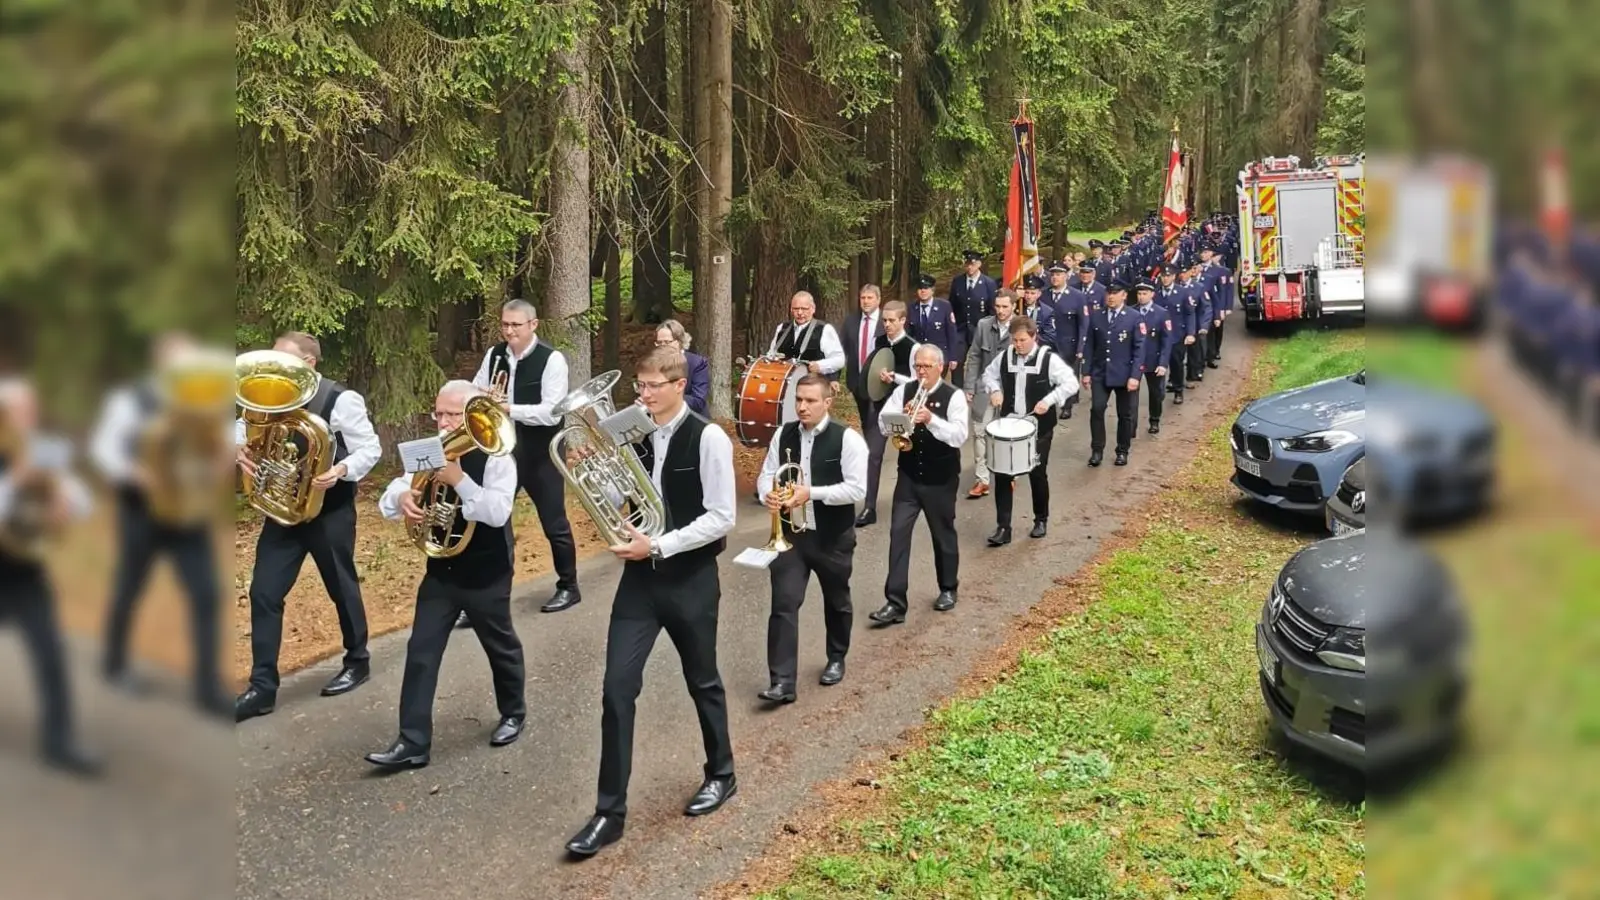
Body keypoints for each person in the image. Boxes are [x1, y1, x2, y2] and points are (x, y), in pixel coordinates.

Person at [565, 348, 738, 859]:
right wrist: (593, 471)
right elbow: (625, 501)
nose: (641, 394)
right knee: (616, 690)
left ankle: (722, 774)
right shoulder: (632, 434)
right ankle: (608, 813)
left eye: (650, 386)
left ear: (679, 385)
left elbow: (722, 516)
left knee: (702, 681)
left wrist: (659, 544)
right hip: (640, 584)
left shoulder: (707, 437)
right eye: (639, 386)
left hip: (689, 579)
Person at [364, 381, 527, 770]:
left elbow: (496, 513)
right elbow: (393, 494)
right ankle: (412, 742)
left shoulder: (497, 455)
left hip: (488, 569)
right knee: (421, 650)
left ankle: (513, 712)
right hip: (442, 569)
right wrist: (402, 497)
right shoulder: (429, 447)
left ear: (474, 413)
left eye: (453, 414)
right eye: (439, 413)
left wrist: (458, 481)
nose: (444, 422)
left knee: (499, 644)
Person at [236, 331, 381, 721]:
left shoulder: (340, 399)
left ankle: (358, 660)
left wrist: (340, 470)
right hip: (282, 513)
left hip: (328, 509)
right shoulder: (269, 394)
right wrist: (238, 451)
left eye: (285, 361)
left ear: (310, 363)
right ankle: (262, 688)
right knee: (264, 592)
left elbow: (371, 447)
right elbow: (241, 430)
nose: (275, 369)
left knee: (341, 585)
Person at [90, 333, 232, 716]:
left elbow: (220, 446)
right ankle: (114, 663)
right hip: (142, 512)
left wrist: (222, 461)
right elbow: (103, 447)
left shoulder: (204, 403)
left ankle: (207, 689)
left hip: (189, 513)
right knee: (129, 588)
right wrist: (133, 472)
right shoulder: (131, 399)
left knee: (206, 595)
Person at [0, 379, 100, 775]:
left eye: (30, 412)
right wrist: (15, 482)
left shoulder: (46, 450)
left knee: (51, 654)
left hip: (24, 571)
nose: (26, 420)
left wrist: (65, 502)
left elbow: (83, 501)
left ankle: (59, 743)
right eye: (17, 413)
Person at [756, 374, 868, 704]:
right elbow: (766, 474)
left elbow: (857, 489)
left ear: (827, 403)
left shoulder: (848, 440)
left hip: (833, 537)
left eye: (810, 401)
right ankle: (782, 682)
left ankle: (836, 657)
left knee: (837, 601)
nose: (802, 407)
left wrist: (811, 493)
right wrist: (769, 495)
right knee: (783, 605)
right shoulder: (783, 433)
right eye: (799, 400)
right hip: (792, 537)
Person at [471, 299, 581, 615]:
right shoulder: (494, 355)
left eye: (516, 325)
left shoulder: (552, 360)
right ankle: (491, 593)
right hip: (504, 453)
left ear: (532, 325)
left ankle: (568, 586)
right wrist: (483, 397)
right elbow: (476, 389)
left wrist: (508, 408)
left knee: (554, 523)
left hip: (541, 454)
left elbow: (551, 412)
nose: (509, 331)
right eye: (505, 325)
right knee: (494, 521)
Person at [869, 345, 968, 625]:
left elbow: (959, 435)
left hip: (941, 478)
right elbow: (883, 423)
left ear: (941, 367)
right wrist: (902, 420)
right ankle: (895, 602)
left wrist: (931, 418)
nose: (921, 372)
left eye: (926, 366)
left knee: (943, 534)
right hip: (909, 477)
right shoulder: (905, 391)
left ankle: (948, 588)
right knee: (898, 535)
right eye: (917, 366)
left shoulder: (954, 396)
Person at [980, 317, 1078, 544]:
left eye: (1023, 340)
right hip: (1009, 425)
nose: (1018, 344)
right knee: (1003, 474)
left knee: (1037, 472)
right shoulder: (1005, 356)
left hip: (1038, 427)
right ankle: (1003, 528)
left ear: (1034, 337)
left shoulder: (1048, 359)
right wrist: (994, 390)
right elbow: (989, 374)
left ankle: (1040, 519)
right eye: (1015, 340)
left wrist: (1050, 400)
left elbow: (1070, 383)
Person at [859, 300, 919, 527]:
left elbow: (917, 382)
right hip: (880, 405)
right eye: (884, 320)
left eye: (892, 320)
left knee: (907, 455)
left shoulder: (912, 347)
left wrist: (895, 378)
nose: (887, 325)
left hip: (902, 409)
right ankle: (869, 507)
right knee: (872, 456)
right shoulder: (879, 342)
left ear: (903, 320)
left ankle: (908, 503)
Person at [1081, 283, 1147, 468]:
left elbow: (1139, 349)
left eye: (1115, 294)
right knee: (1097, 409)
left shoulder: (1135, 318)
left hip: (1124, 374)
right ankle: (1097, 449)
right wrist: (1086, 372)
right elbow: (1089, 346)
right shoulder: (1097, 316)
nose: (1110, 297)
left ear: (1124, 295)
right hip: (1101, 373)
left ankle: (1122, 450)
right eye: (1108, 293)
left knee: (1125, 414)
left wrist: (1135, 375)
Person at [963, 289, 1018, 499]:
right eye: (998, 306)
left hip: (1010, 390)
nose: (1001, 311)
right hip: (984, 387)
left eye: (1005, 306)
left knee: (1007, 435)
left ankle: (1008, 475)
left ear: (1013, 305)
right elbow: (975, 356)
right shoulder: (984, 325)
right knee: (979, 432)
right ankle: (982, 479)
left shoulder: (1020, 327)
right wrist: (969, 387)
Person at [840, 285, 887, 523]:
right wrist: (833, 379)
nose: (865, 301)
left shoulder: (887, 323)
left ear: (878, 300)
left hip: (883, 392)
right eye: (862, 297)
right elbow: (842, 352)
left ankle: (870, 506)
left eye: (869, 297)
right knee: (869, 436)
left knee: (873, 450)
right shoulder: (850, 322)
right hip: (859, 388)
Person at [765, 291, 846, 382]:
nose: (799, 312)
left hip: (813, 386)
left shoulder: (825, 329)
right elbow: (770, 355)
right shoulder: (782, 328)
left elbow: (839, 359)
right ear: (791, 310)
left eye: (804, 309)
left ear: (813, 309)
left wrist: (820, 366)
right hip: (781, 385)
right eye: (796, 309)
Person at [1131, 280, 1175, 436]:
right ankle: (1131, 425)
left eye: (1145, 293)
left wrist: (1163, 363)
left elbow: (1166, 340)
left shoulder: (1161, 313)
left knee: (1156, 394)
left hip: (1153, 360)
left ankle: (1154, 419)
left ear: (1152, 295)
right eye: (1139, 293)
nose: (1141, 297)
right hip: (1135, 361)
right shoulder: (1132, 312)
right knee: (1131, 395)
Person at [947, 249, 998, 380]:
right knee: (957, 362)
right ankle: (957, 391)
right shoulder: (957, 282)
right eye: (968, 264)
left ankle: (979, 392)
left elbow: (992, 309)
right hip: (961, 329)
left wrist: (991, 330)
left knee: (981, 363)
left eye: (973, 264)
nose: (970, 267)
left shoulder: (988, 283)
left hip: (980, 329)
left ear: (979, 264)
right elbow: (952, 305)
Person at [906, 274, 964, 383]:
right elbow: (909, 333)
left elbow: (951, 333)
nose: (923, 291)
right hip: (920, 358)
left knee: (936, 386)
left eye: (926, 288)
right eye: (920, 288)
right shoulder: (912, 308)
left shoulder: (944, 306)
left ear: (932, 290)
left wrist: (953, 357)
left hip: (940, 356)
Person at [1154, 264, 1195, 407]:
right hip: (1158, 335)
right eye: (1163, 276)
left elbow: (1189, 313)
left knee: (1176, 364)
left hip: (1177, 335)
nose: (1165, 279)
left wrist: (1190, 333)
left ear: (1174, 277)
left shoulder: (1183, 292)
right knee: (1158, 365)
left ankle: (1178, 390)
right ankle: (1159, 393)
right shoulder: (1155, 292)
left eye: (1168, 276)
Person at [655, 320, 709, 418]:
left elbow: (698, 401)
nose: (662, 347)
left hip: (692, 420)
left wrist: (666, 398)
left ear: (679, 342)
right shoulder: (653, 364)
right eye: (659, 343)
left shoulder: (697, 363)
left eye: (667, 342)